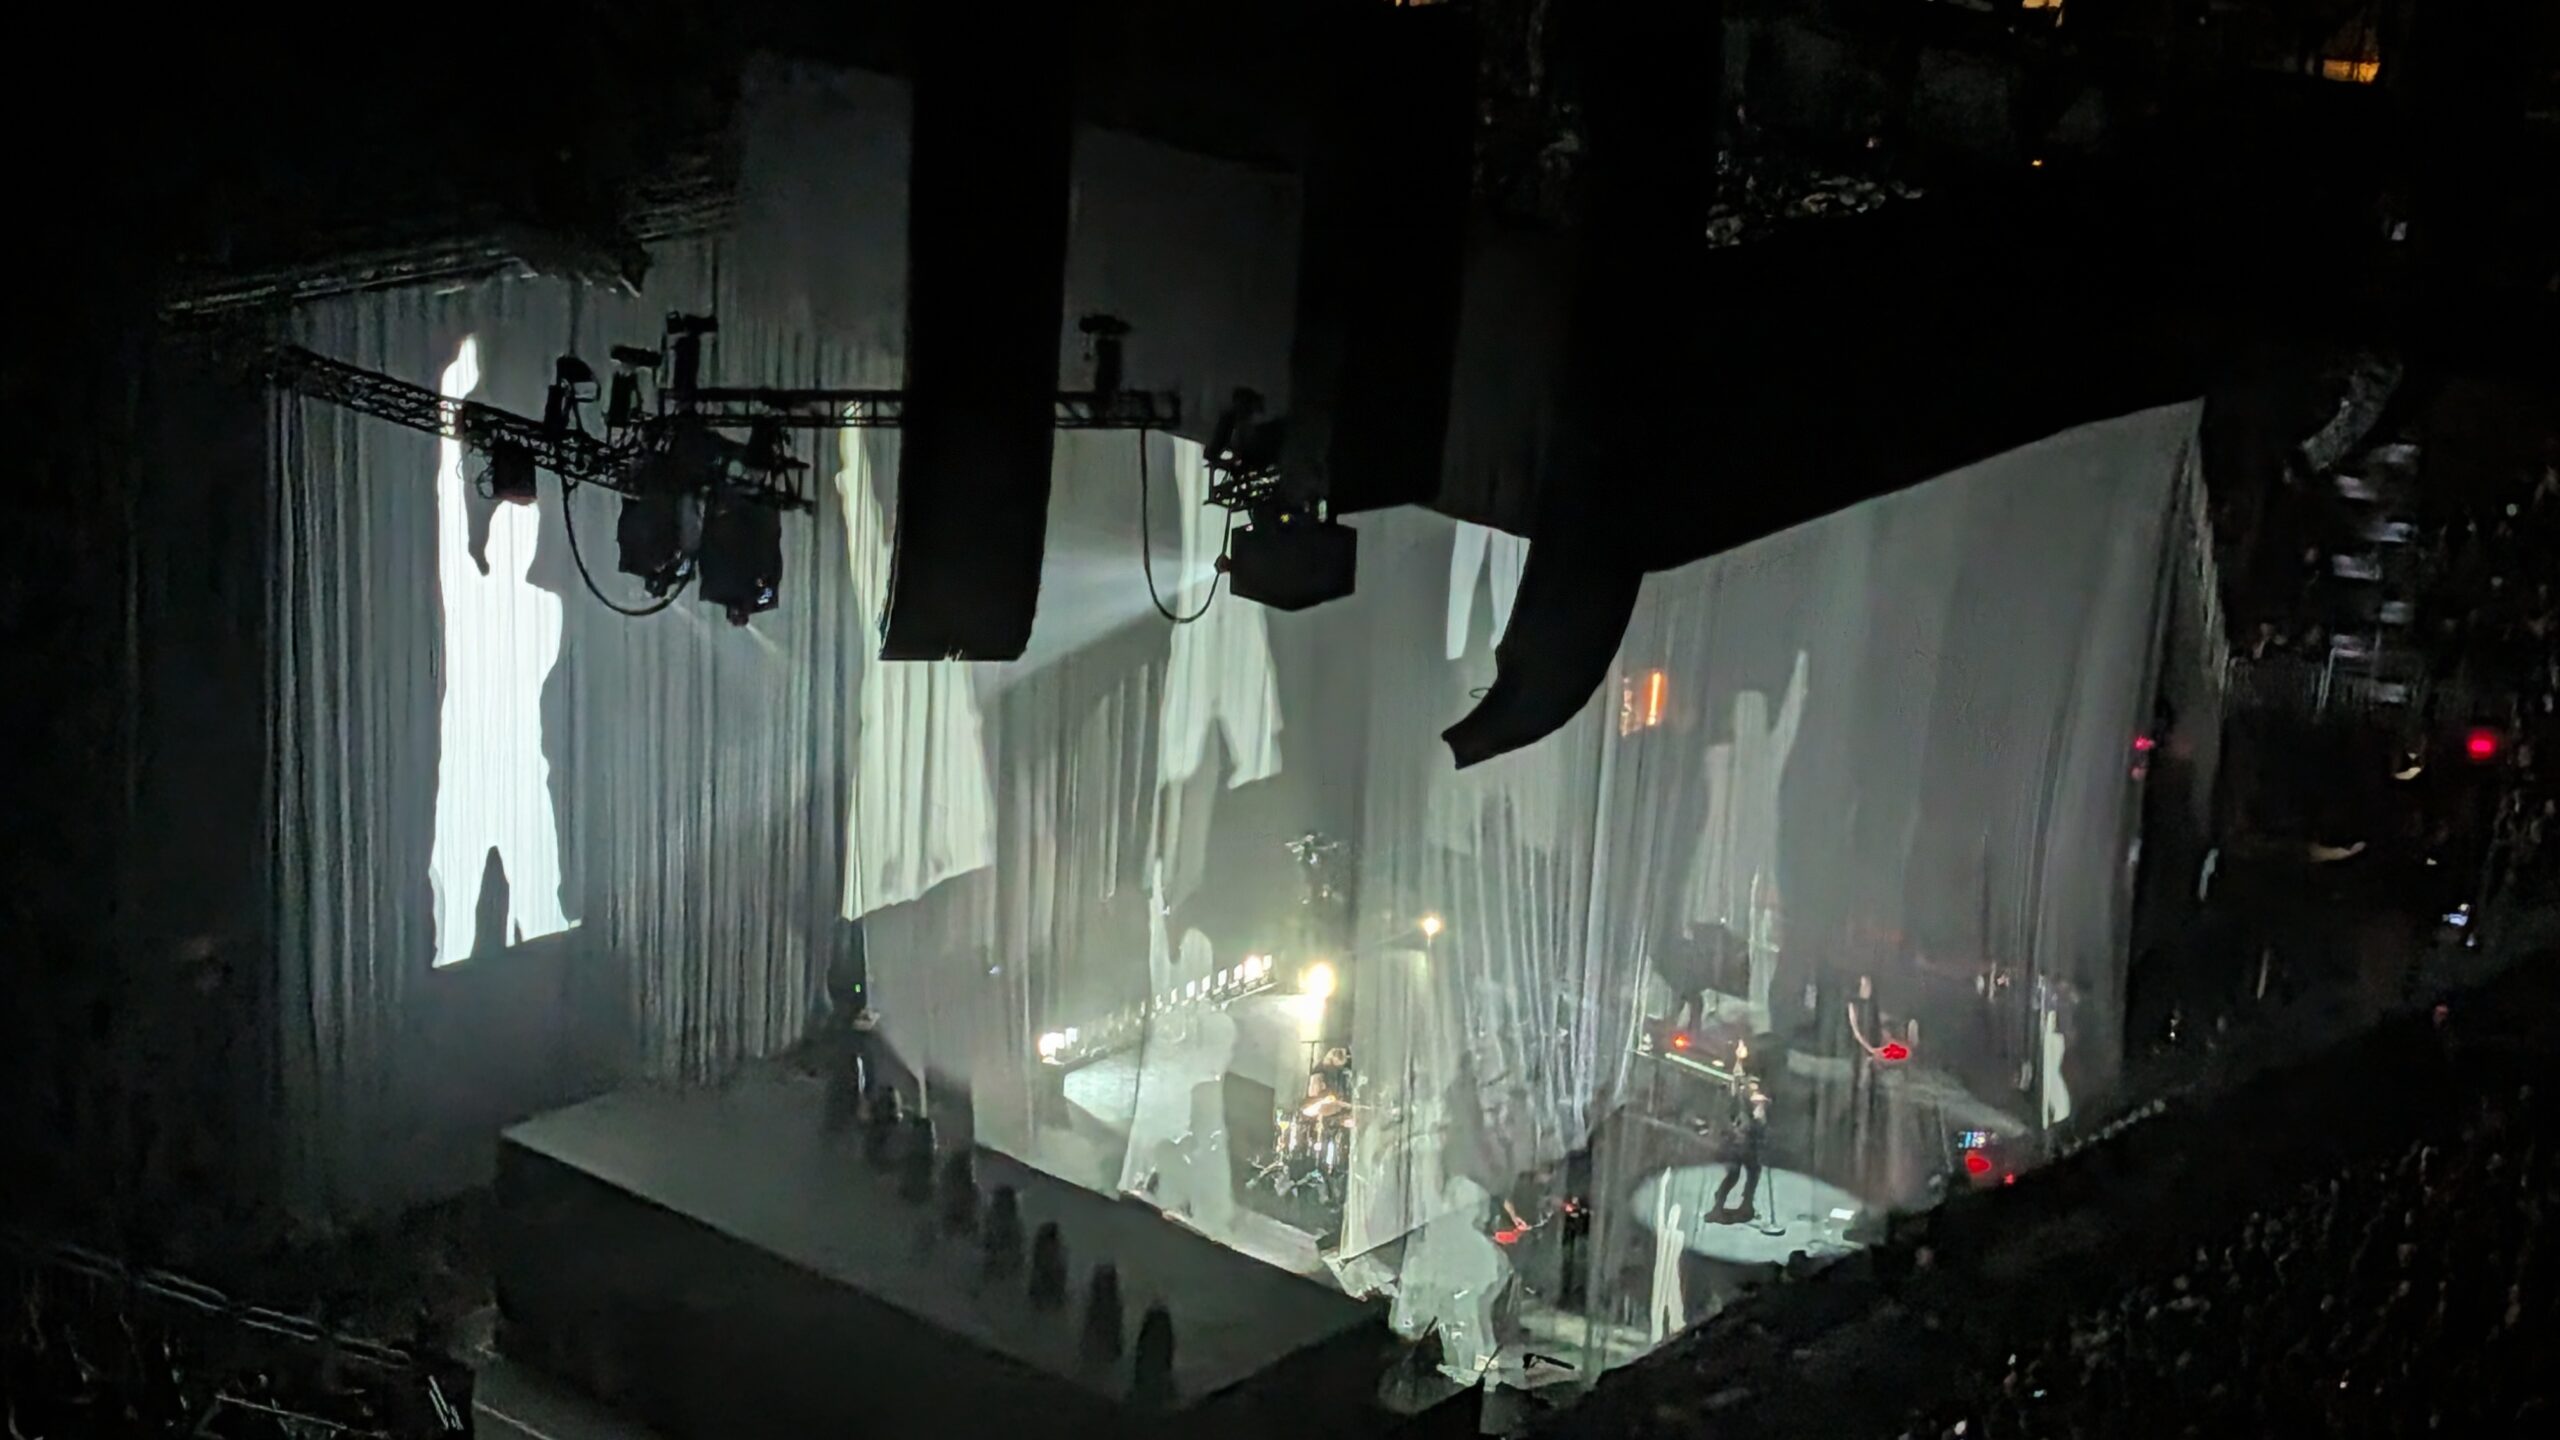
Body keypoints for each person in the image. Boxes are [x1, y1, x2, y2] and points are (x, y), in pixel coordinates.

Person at [1712, 1080, 1769, 1220]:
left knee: (1750, 1173)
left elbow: (1757, 1125)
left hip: (1744, 1146)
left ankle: (1745, 1203)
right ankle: (1721, 1204)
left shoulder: (1747, 1104)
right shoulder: (1740, 1104)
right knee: (1736, 1174)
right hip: (1738, 1146)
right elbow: (1747, 1125)